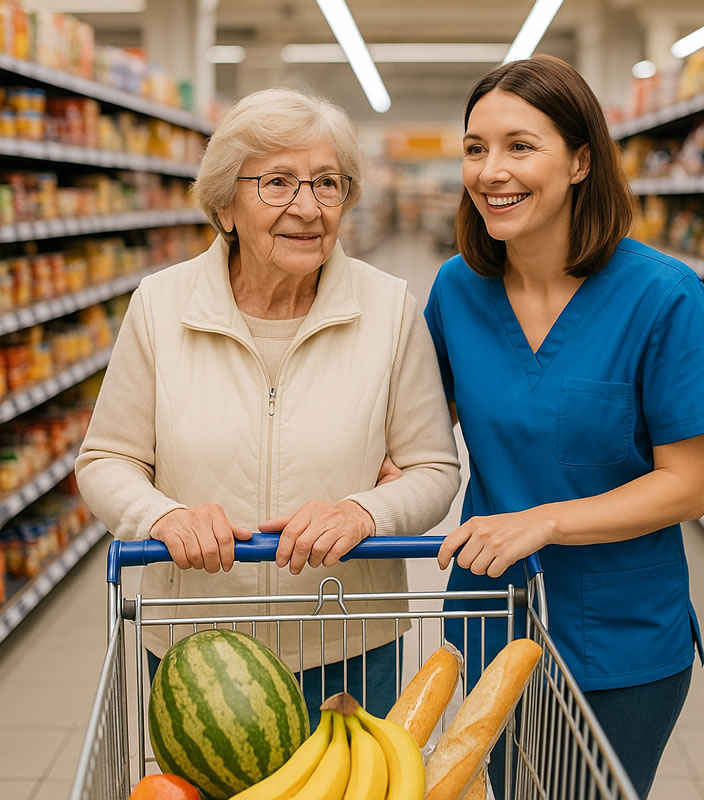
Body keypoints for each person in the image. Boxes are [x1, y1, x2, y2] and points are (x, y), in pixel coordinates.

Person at [75, 87, 460, 727]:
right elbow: (106, 459)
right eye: (278, 182)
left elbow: (434, 470)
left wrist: (365, 511)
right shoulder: (160, 305)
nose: (307, 208)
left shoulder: (390, 308)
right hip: (198, 648)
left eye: (327, 183)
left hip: (347, 642)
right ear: (225, 205)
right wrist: (162, 517)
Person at [424, 56, 704, 799]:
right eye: (475, 148)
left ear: (580, 161)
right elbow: (416, 436)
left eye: (520, 146)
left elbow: (688, 487)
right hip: (492, 617)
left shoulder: (663, 295)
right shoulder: (457, 289)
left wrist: (546, 521)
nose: (492, 171)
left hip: (620, 639)